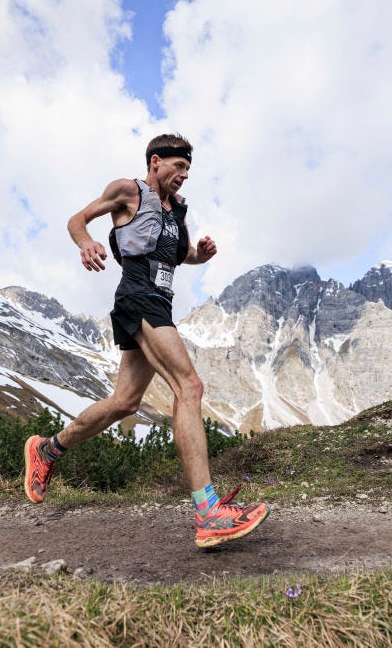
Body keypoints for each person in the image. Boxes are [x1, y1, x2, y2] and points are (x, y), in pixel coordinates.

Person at [23, 134, 268, 548]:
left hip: (159, 301)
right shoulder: (127, 191)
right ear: (156, 162)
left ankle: (47, 450)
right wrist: (86, 244)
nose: (185, 176)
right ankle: (208, 512)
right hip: (138, 296)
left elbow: (177, 252)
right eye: (178, 167)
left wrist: (199, 255)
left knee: (125, 403)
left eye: (189, 170)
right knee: (188, 386)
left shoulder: (177, 210)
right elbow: (76, 220)